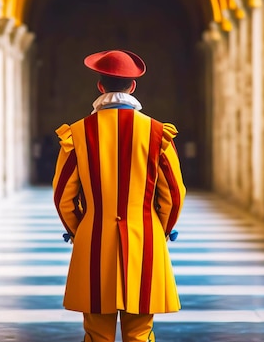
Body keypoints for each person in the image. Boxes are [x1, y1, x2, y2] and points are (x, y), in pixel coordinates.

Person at [52, 50, 186, 342]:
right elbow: (174, 194)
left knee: (97, 333)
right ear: (133, 86)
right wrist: (158, 228)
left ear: (100, 86)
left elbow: (63, 196)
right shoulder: (156, 133)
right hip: (145, 240)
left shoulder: (77, 134)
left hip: (93, 242)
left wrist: (80, 230)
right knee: (140, 332)